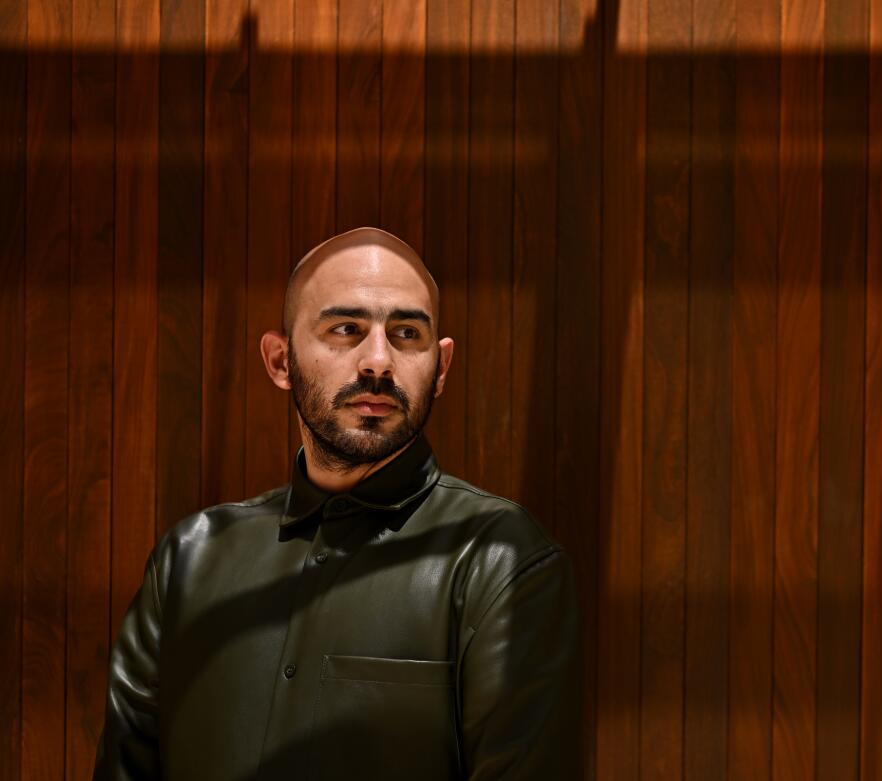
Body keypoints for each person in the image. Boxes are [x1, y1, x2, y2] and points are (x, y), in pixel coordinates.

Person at [94, 228, 581, 780]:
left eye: (406, 333)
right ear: (280, 361)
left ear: (440, 368)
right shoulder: (187, 559)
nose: (378, 361)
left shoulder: (502, 560)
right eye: (346, 329)